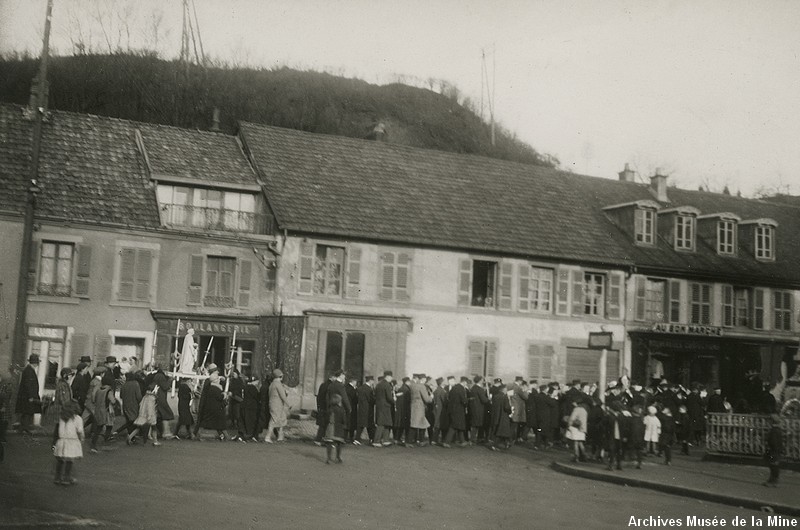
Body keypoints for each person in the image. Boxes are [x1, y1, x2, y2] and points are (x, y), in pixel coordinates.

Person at [53, 400, 84, 486]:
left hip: (61, 440)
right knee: (70, 459)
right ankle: (67, 477)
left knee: (60, 459)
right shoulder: (78, 418)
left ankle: (57, 477)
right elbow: (80, 431)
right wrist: (81, 438)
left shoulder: (62, 418)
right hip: (72, 440)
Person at [197, 372, 228, 441]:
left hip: (212, 408)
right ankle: (222, 435)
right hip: (216, 409)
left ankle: (222, 435)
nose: (219, 380)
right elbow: (220, 397)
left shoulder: (211, 387)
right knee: (217, 423)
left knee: (212, 423)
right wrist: (224, 395)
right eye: (218, 379)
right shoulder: (215, 388)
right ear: (215, 380)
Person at [15, 354, 41, 434]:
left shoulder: (28, 369)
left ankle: (23, 428)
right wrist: (31, 396)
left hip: (26, 396)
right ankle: (24, 428)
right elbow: (29, 384)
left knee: (26, 412)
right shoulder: (29, 370)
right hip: (28, 396)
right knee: (27, 412)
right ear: (35, 363)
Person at [89, 380, 116, 453]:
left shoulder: (99, 389)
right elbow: (113, 401)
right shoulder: (109, 391)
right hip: (106, 410)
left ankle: (95, 442)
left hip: (98, 410)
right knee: (107, 425)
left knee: (99, 426)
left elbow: (94, 399)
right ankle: (96, 443)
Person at [51, 368, 74, 448]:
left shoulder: (65, 384)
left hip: (63, 409)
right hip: (61, 410)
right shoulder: (62, 385)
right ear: (65, 376)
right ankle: (55, 444)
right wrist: (69, 408)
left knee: (60, 427)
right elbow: (63, 399)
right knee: (59, 427)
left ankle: (57, 443)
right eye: (70, 375)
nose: (71, 377)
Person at [443, 377, 468, 448]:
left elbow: (449, 397)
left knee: (458, 425)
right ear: (464, 382)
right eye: (466, 382)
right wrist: (467, 402)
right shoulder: (461, 389)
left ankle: (463, 441)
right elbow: (464, 400)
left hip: (452, 409)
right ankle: (446, 442)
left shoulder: (454, 388)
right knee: (454, 426)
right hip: (459, 410)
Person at [265, 369, 289, 443]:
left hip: (274, 404)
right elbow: (283, 395)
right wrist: (288, 403)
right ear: (280, 376)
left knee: (280, 419)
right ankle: (268, 437)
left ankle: (280, 436)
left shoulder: (272, 384)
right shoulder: (278, 384)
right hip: (277, 405)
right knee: (274, 420)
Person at [408, 374, 433, 446]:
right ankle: (413, 441)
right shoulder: (422, 386)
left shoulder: (413, 386)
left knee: (417, 423)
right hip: (420, 407)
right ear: (423, 379)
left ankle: (418, 441)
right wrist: (431, 397)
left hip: (414, 407)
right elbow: (427, 399)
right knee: (419, 424)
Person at [151, 364, 174, 440]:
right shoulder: (161, 376)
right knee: (166, 414)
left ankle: (159, 432)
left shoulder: (157, 375)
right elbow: (165, 386)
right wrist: (170, 380)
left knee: (160, 415)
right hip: (161, 398)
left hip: (158, 397)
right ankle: (166, 432)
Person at [118, 372, 143, 442]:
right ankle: (132, 437)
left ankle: (131, 435)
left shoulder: (124, 385)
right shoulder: (135, 384)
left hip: (126, 405)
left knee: (128, 420)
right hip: (134, 405)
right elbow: (139, 396)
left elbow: (121, 396)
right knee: (134, 421)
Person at [372, 371, 394, 447]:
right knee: (382, 423)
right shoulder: (387, 385)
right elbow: (389, 397)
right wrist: (394, 400)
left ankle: (386, 440)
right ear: (388, 376)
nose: (392, 378)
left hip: (379, 406)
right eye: (391, 377)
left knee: (385, 422)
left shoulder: (378, 384)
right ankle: (377, 441)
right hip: (386, 406)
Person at [324, 393, 346, 464]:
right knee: (339, 443)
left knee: (329, 443)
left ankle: (329, 458)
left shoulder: (330, 409)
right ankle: (338, 457)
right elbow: (344, 420)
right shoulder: (342, 410)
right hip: (339, 427)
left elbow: (326, 419)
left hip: (331, 427)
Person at [490, 384, 513, 451]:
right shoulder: (504, 397)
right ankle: (496, 445)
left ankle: (507, 443)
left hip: (496, 416)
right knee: (502, 431)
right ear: (503, 390)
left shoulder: (495, 396)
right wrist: (510, 411)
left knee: (501, 431)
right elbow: (507, 407)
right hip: (503, 416)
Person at [469, 375, 490, 445]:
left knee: (475, 424)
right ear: (480, 380)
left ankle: (474, 438)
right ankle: (474, 439)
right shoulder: (479, 389)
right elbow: (484, 400)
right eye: (482, 380)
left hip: (473, 408)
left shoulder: (473, 388)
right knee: (477, 424)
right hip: (479, 408)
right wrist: (489, 400)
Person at [566, 397, 588, 462]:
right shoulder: (584, 410)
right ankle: (584, 456)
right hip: (583, 428)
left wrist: (568, 425)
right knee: (580, 442)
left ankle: (576, 456)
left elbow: (572, 419)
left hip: (576, 428)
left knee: (575, 442)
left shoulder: (576, 409)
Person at [764, 414, 783, 487]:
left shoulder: (774, 430)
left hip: (774, 450)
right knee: (773, 465)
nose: (769, 422)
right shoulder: (777, 429)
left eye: (770, 420)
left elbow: (774, 441)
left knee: (774, 465)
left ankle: (774, 481)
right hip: (776, 450)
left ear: (772, 421)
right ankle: (772, 480)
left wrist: (769, 446)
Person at [355, 376, 375, 445]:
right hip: (368, 408)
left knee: (361, 424)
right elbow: (371, 400)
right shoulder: (369, 389)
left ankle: (357, 438)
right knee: (370, 424)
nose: (373, 382)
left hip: (361, 408)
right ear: (370, 381)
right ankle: (372, 439)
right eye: (373, 381)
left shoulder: (360, 388)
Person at [241, 376, 261, 442]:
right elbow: (257, 397)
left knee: (246, 420)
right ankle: (250, 435)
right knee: (251, 421)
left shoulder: (245, 387)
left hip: (245, 405)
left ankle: (246, 434)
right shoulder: (253, 388)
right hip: (251, 406)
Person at [228, 369, 245, 442]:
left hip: (237, 398)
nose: (233, 375)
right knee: (233, 412)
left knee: (237, 414)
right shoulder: (232, 381)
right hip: (233, 399)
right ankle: (234, 423)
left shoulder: (239, 381)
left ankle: (237, 425)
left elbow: (239, 389)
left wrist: (233, 394)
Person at [431, 377, 447, 446]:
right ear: (442, 383)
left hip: (436, 409)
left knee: (437, 424)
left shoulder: (436, 390)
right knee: (439, 424)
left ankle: (434, 440)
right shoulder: (442, 391)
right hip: (441, 410)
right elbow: (445, 402)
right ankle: (436, 440)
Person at [345, 377, 358, 443]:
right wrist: (355, 390)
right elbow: (355, 398)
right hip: (352, 407)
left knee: (348, 422)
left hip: (347, 407)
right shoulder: (352, 389)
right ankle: (350, 437)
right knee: (351, 423)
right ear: (353, 381)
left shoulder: (346, 387)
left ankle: (345, 437)